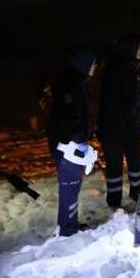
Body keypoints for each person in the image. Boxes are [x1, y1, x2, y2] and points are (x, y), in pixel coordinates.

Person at [47, 49, 98, 236]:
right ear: (83, 64)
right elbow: (68, 117)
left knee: (72, 187)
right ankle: (67, 229)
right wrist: (77, 138)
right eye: (93, 63)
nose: (95, 67)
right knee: (69, 187)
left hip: (72, 144)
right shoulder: (71, 87)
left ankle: (69, 224)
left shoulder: (77, 84)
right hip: (68, 146)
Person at [97, 33, 140, 209]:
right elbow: (111, 102)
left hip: (132, 125)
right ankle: (114, 202)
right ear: (130, 48)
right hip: (114, 128)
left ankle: (136, 193)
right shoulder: (115, 69)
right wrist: (119, 125)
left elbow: (135, 95)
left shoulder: (135, 66)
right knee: (114, 167)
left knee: (135, 162)